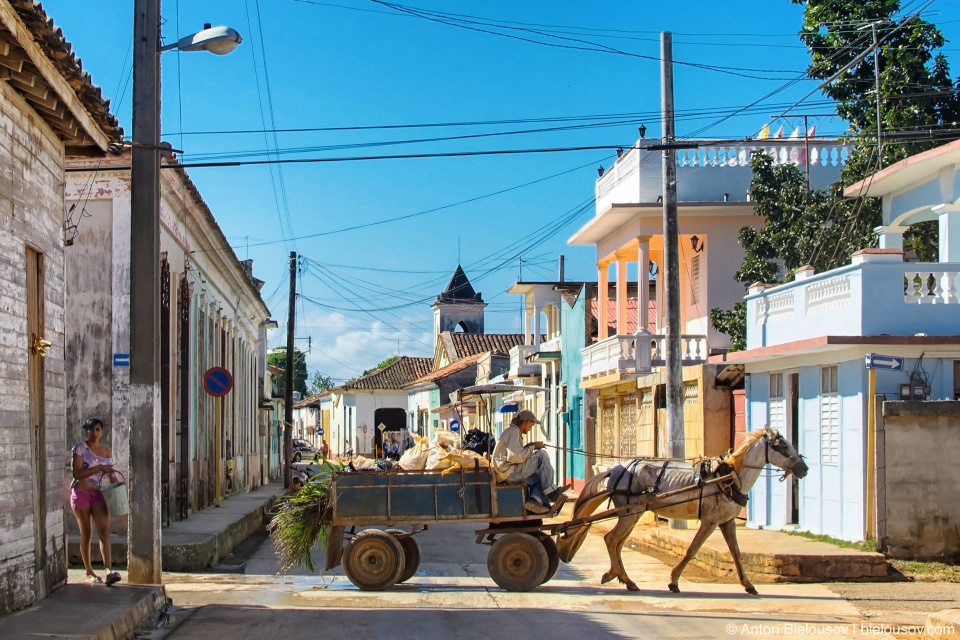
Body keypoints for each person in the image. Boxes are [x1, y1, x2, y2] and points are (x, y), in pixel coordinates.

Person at [70, 417, 121, 586]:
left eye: (98, 429)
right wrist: (99, 467)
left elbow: (112, 475)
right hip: (81, 493)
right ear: (87, 431)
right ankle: (89, 571)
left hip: (97, 495)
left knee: (104, 531)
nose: (94, 433)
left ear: (102, 431)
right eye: (91, 430)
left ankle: (108, 570)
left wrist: (118, 489)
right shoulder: (79, 449)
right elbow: (77, 474)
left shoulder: (106, 452)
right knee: (86, 533)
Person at [492, 410, 571, 515]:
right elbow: (515, 457)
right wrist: (534, 447)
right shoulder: (513, 432)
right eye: (532, 424)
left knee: (540, 477)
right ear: (526, 422)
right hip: (509, 472)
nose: (531, 427)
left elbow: (516, 453)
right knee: (542, 455)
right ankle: (552, 492)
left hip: (508, 472)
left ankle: (534, 501)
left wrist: (530, 446)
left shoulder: (513, 432)